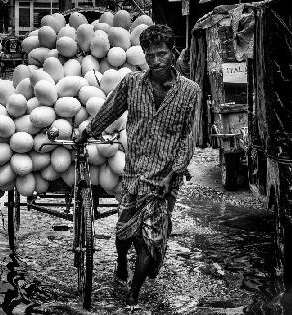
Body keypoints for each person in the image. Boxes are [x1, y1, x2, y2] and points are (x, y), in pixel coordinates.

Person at [76, 24, 201, 307]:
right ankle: (121, 260)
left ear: (173, 53)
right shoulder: (132, 83)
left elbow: (188, 137)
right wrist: (86, 132)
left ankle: (134, 290)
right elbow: (109, 109)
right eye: (151, 55)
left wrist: (174, 173)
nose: (156, 61)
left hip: (163, 179)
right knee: (124, 233)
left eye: (162, 54)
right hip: (133, 174)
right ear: (143, 55)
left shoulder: (189, 91)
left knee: (150, 240)